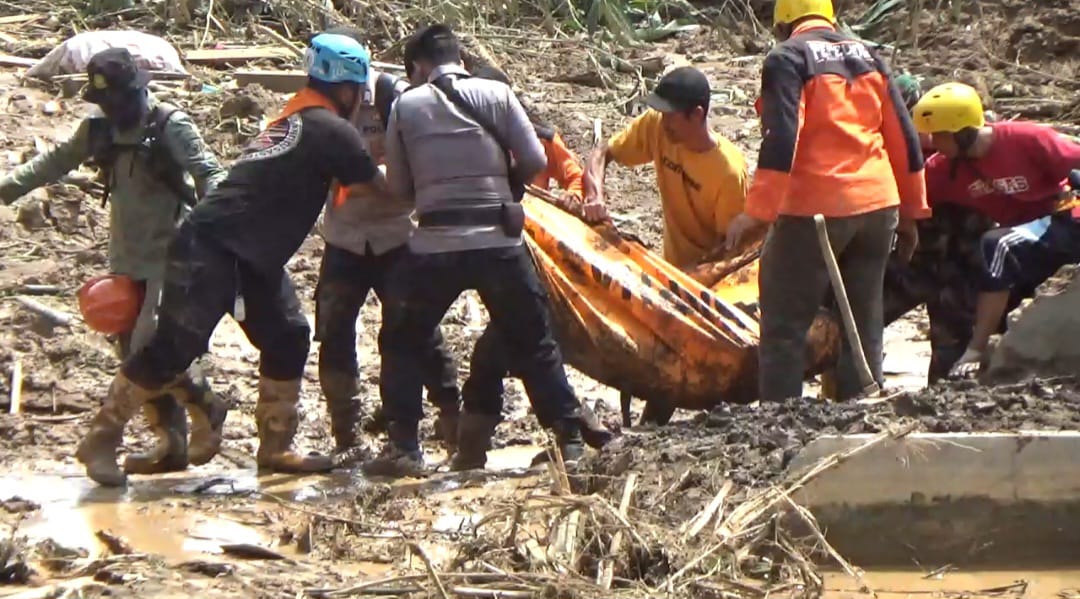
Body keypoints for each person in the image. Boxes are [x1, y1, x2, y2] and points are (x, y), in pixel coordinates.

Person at [74, 33, 382, 486]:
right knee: (173, 349)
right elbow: (379, 190)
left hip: (251, 253)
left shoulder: (293, 116)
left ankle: (276, 447)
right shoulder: (331, 129)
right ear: (349, 88)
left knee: (288, 337)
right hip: (213, 244)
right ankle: (100, 440)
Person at [0, 47, 228, 476]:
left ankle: (109, 439)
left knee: (149, 350)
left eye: (121, 100)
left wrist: (205, 228)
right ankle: (173, 441)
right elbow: (55, 162)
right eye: (106, 103)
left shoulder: (169, 126)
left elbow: (211, 176)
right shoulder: (98, 131)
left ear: (139, 91)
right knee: (133, 350)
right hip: (126, 258)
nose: (115, 109)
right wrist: (8, 187)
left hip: (170, 257)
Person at [374, 24, 586, 476]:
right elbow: (533, 160)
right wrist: (502, 190)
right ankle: (569, 440)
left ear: (417, 68)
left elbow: (398, 188)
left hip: (435, 244)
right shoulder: (497, 94)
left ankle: (405, 449)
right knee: (534, 340)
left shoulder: (406, 105)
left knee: (402, 339)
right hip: (499, 243)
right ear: (461, 59)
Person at [726, 0, 929, 401]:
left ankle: (778, 424)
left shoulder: (788, 58)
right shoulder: (869, 56)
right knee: (862, 320)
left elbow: (782, 136)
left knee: (785, 327)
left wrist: (757, 212)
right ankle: (859, 413)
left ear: (783, 23)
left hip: (814, 209)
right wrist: (912, 211)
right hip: (877, 206)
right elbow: (904, 139)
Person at [311, 26, 461, 457]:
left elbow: (421, 159)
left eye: (340, 89)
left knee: (415, 330)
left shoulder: (397, 99)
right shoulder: (318, 107)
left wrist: (369, 179)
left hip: (396, 232)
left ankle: (452, 417)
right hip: (344, 236)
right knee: (334, 331)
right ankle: (347, 435)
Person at [910, 82, 1080, 377]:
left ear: (963, 133)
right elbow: (912, 197)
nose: (933, 142)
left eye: (939, 135)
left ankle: (977, 347)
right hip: (1026, 243)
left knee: (996, 245)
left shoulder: (1027, 139)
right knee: (972, 291)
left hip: (1062, 222)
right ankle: (968, 371)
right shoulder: (943, 169)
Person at [581, 67, 750, 270]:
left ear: (697, 115)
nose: (663, 120)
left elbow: (731, 249)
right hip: (671, 270)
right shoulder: (657, 126)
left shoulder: (728, 173)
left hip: (708, 280)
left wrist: (689, 276)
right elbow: (602, 152)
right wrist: (594, 196)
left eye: (670, 115)